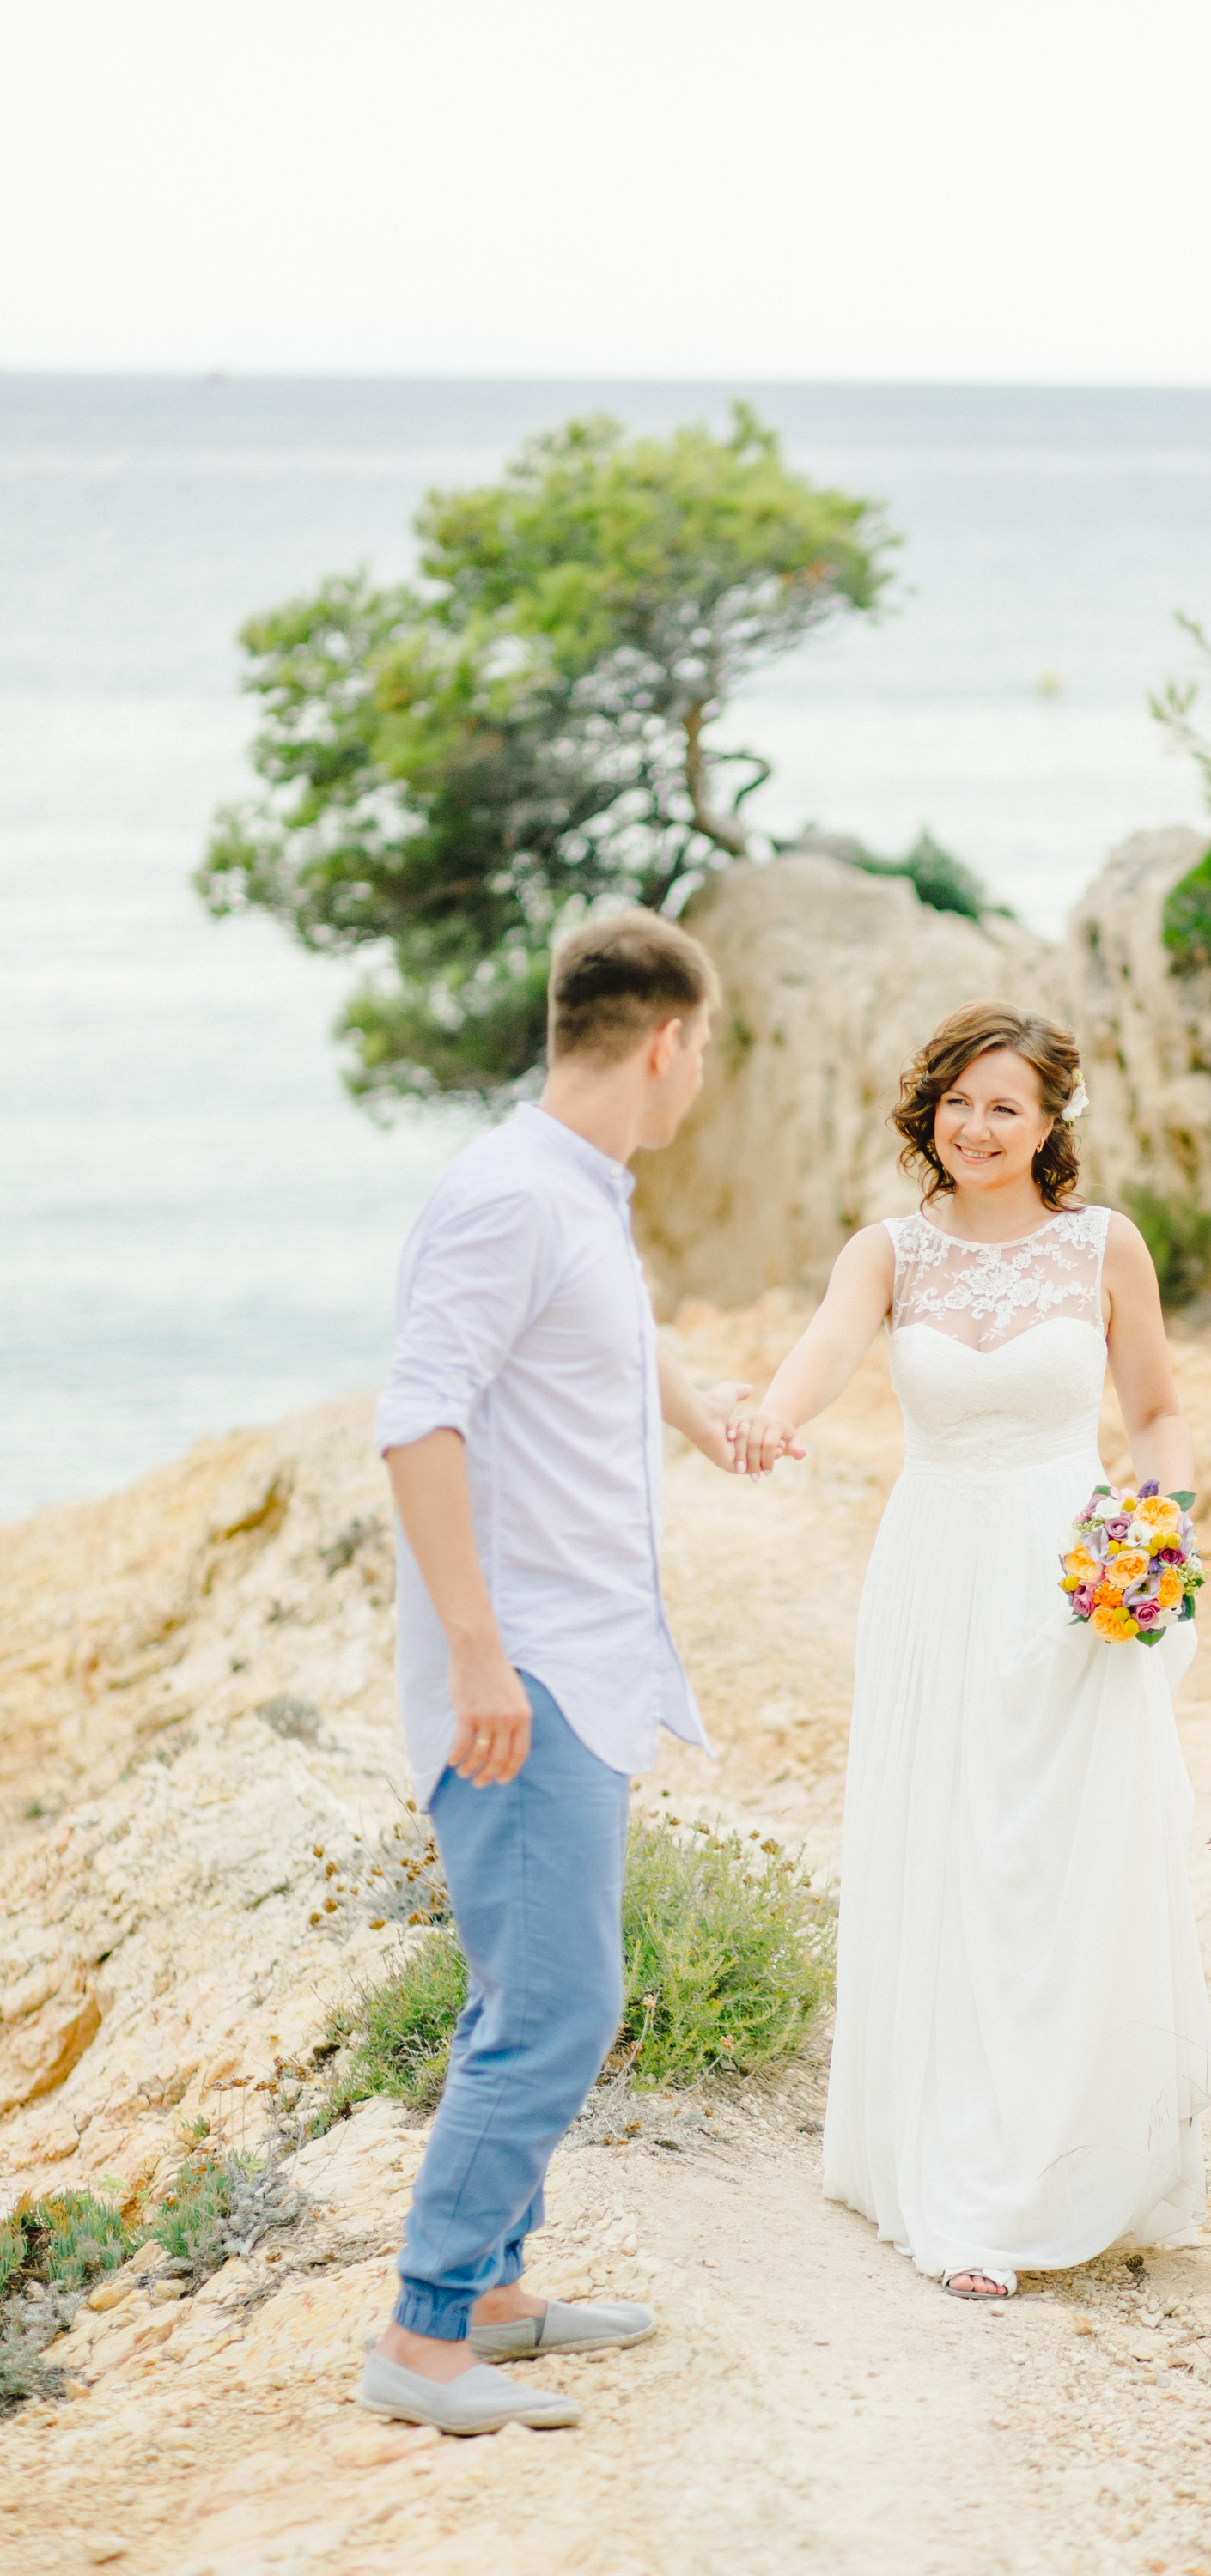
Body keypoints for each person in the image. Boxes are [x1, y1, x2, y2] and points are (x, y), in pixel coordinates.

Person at [727, 1001, 1211, 2300]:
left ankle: (1076, 2159)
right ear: (927, 1112)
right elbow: (823, 1357)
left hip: (1077, 1580)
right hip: (940, 1574)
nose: (978, 1127)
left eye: (1006, 1106)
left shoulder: (1104, 1247)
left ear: (1052, 1121)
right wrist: (768, 1421)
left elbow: (1159, 1410)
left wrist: (1153, 1527)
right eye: (957, 1101)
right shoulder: (887, 1254)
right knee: (953, 1855)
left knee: (1065, 1864)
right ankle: (960, 2182)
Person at [358, 910, 746, 2435]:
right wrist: (479, 1655)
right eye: (702, 1050)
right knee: (564, 2009)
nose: (698, 1074)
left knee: (528, 1988)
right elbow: (417, 1418)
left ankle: (499, 2288)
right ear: (667, 1042)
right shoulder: (511, 1201)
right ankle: (424, 2336)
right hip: (520, 1682)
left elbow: (605, 1345)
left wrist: (711, 1414)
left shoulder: (579, 1192)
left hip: (583, 1661)